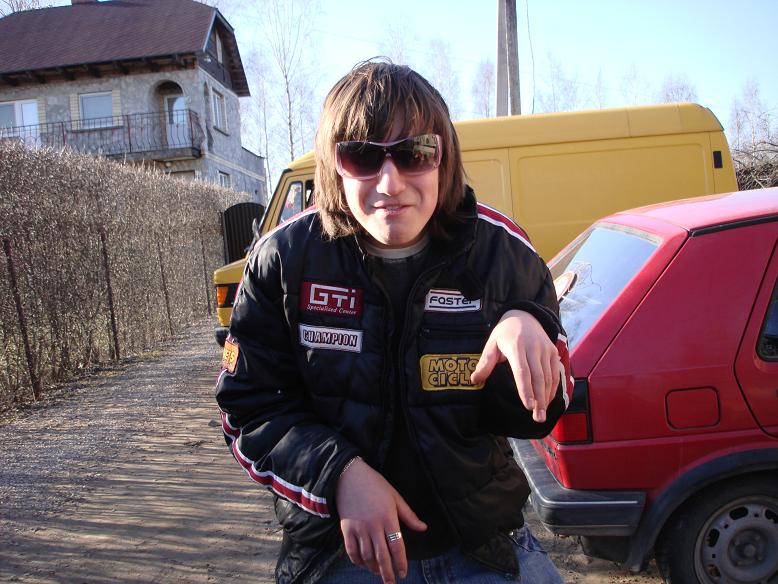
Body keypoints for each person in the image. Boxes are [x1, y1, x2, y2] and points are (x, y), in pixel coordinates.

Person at [216, 60, 573, 584]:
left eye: (414, 153)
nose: (390, 182)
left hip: (481, 545)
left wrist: (525, 328)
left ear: (444, 159)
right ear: (334, 165)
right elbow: (248, 408)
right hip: (339, 551)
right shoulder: (284, 259)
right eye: (362, 156)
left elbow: (536, 418)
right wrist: (340, 475)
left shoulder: (503, 252)